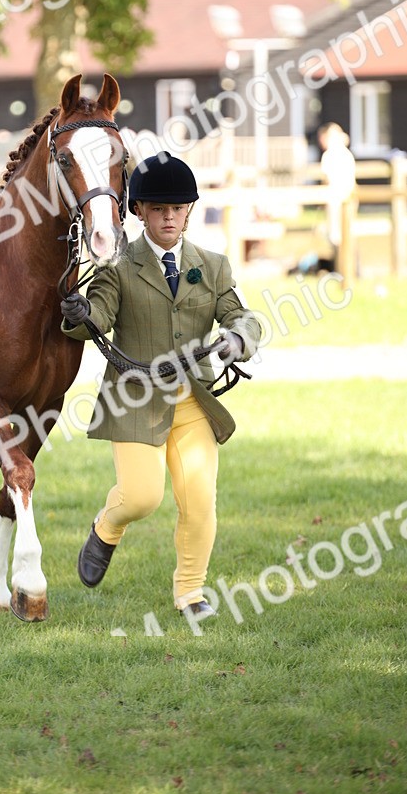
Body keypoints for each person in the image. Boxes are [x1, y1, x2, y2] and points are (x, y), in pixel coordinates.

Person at [60, 153, 262, 623]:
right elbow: (100, 314)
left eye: (177, 208)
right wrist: (80, 316)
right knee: (142, 497)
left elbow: (241, 316)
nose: (168, 217)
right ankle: (106, 526)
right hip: (135, 398)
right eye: (157, 209)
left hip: (194, 400)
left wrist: (238, 337)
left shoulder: (212, 266)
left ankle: (190, 593)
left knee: (199, 501)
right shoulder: (118, 267)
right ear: (139, 211)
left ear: (189, 210)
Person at [318, 123, 356, 270]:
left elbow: (326, 179)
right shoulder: (346, 154)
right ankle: (351, 270)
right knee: (347, 234)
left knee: (336, 236)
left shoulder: (330, 155)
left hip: (336, 200)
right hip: (349, 199)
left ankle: (342, 269)